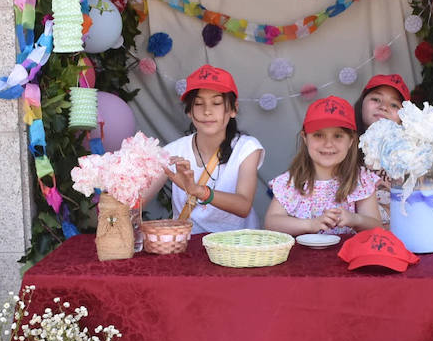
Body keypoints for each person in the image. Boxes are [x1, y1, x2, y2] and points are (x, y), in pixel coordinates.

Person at [159, 64, 265, 234]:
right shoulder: (172, 152)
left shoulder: (247, 148)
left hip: (239, 247)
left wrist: (198, 191)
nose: (207, 111)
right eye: (199, 104)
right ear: (189, 111)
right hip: (188, 248)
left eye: (216, 103)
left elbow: (243, 205)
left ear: (233, 109)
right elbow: (139, 199)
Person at [265, 96, 382, 236]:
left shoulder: (361, 179)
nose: (328, 144)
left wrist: (355, 219)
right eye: (318, 135)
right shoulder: (291, 182)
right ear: (305, 138)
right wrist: (310, 224)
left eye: (338, 136)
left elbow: (376, 227)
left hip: (348, 255)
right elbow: (271, 223)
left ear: (351, 141)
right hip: (303, 256)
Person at [354, 74, 412, 226]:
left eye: (394, 105)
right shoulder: (343, 147)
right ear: (362, 103)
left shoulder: (415, 153)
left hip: (403, 237)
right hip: (356, 236)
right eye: (376, 99)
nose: (384, 107)